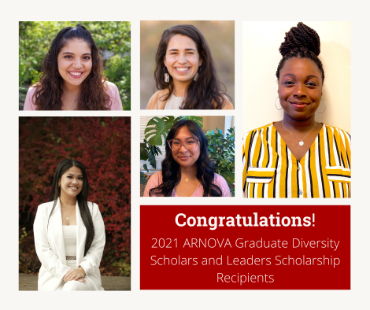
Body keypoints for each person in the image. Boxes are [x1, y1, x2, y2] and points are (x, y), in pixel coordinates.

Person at [242, 22, 351, 198]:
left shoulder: (347, 144)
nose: (299, 92)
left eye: (310, 84)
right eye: (289, 82)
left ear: (321, 90)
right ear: (278, 88)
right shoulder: (249, 143)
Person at [33, 159, 105, 290]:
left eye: (80, 178)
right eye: (70, 177)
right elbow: (42, 249)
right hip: (53, 276)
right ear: (59, 181)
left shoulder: (93, 210)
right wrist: (64, 272)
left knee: (71, 288)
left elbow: (98, 245)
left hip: (86, 275)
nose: (75, 182)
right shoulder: (44, 210)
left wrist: (82, 269)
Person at [23, 24, 123, 110]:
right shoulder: (35, 94)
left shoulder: (109, 91)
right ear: (55, 59)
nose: (78, 65)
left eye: (86, 57)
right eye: (68, 57)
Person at [146, 24, 233, 110]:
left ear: (200, 59)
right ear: (165, 60)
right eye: (174, 53)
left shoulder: (220, 103)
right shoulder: (156, 99)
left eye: (189, 53)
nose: (182, 61)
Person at [143, 120, 231, 197]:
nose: (182, 150)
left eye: (190, 141)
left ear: (201, 147)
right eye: (176, 142)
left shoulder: (218, 183)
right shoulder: (156, 181)